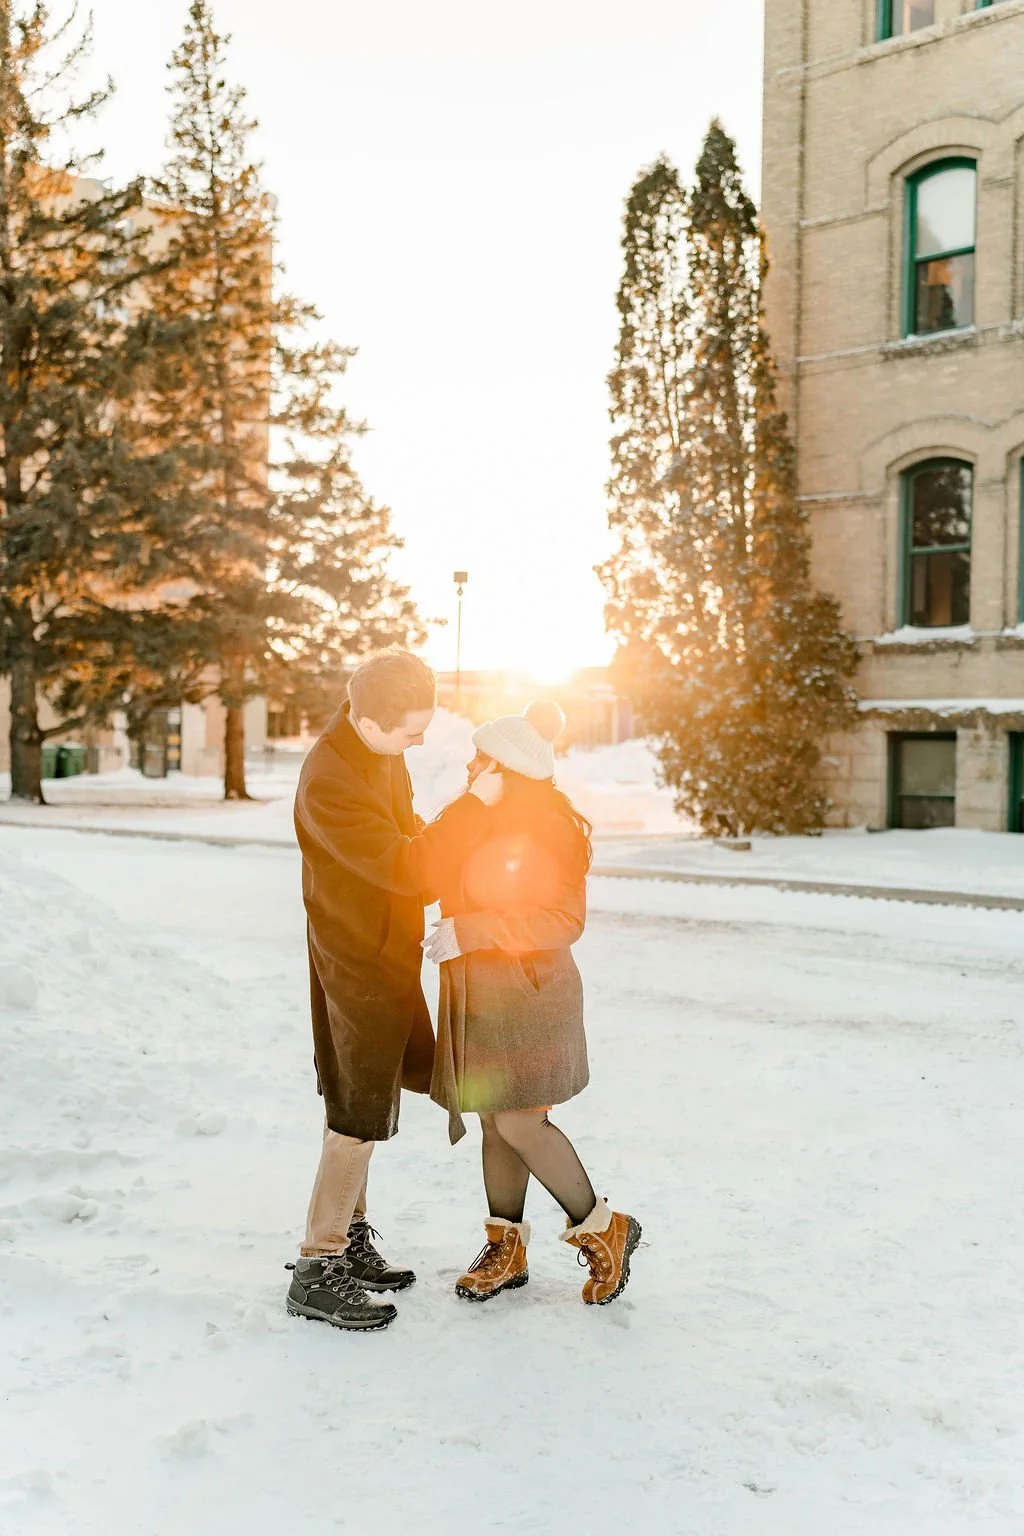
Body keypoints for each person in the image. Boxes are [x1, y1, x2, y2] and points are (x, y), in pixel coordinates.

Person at [286, 650, 502, 1332]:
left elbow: (409, 839)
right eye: (410, 730)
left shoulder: (377, 752)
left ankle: (348, 1240)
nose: (419, 740)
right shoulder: (330, 779)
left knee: (364, 1092)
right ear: (368, 719)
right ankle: (318, 1267)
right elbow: (408, 864)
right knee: (356, 1106)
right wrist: (471, 811)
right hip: (354, 958)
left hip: (383, 950)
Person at [424, 700, 641, 1307]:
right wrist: (469, 807)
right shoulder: (478, 818)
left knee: (521, 1120)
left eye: (480, 758)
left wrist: (475, 930)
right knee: (496, 1117)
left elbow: (562, 920)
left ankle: (604, 1228)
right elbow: (427, 862)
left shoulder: (551, 828)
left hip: (530, 995)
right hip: (479, 995)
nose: (469, 767)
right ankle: (506, 1248)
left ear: (505, 766)